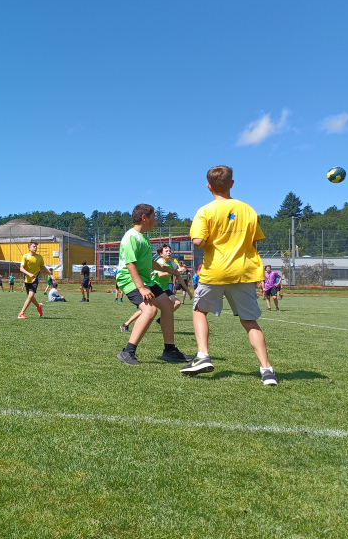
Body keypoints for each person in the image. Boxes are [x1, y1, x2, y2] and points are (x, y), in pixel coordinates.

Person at [180, 165, 277, 385]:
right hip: (243, 272)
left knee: (199, 311)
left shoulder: (204, 211)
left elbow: (198, 241)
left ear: (208, 186)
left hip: (215, 271)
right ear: (232, 183)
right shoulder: (248, 210)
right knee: (250, 321)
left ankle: (203, 355)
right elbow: (253, 242)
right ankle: (267, 370)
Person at [115, 205, 191, 366]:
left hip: (145, 280)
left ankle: (169, 350)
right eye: (153, 217)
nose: (155, 220)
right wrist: (142, 288)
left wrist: (168, 269)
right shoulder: (131, 237)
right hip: (129, 279)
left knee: (168, 305)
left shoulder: (144, 238)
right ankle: (127, 352)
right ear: (144, 217)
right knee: (150, 310)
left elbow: (149, 263)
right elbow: (130, 264)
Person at [17, 241, 55, 319]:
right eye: (34, 246)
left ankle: (21, 313)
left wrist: (50, 275)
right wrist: (29, 274)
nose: (35, 248)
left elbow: (43, 267)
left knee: (31, 296)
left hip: (35, 279)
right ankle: (38, 306)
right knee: (30, 297)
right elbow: (21, 268)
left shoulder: (39, 257)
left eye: (36, 246)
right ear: (29, 248)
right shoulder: (25, 256)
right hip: (27, 279)